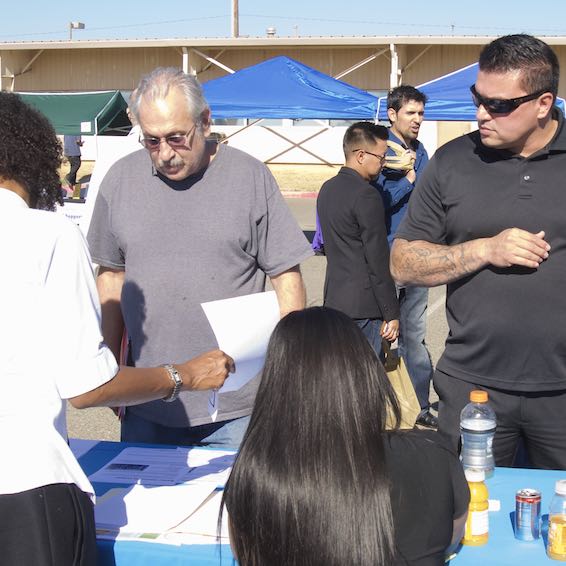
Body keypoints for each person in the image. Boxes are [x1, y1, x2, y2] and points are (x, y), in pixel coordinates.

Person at [0, 92, 233, 566]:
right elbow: (88, 388)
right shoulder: (47, 235)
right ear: (30, 153)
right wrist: (182, 375)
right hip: (25, 488)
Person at [87, 67, 313, 447]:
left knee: (238, 508)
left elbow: (286, 278)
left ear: (205, 122)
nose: (164, 154)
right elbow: (110, 278)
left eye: (176, 138)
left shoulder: (249, 177)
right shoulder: (120, 180)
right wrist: (111, 374)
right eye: (152, 141)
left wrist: (292, 373)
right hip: (147, 402)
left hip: (238, 409)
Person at [391, 34, 566, 469]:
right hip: (473, 390)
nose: (481, 114)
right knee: (468, 520)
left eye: (500, 105)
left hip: (562, 396)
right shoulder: (452, 162)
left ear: (544, 103)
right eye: (478, 98)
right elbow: (403, 262)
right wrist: (484, 249)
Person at [222, 307, 469, 566]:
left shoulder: (256, 476)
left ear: (275, 385)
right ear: (365, 374)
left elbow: (244, 552)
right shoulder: (432, 455)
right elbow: (452, 536)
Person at [376, 85, 437, 429]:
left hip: (418, 258)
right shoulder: (378, 148)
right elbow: (376, 201)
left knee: (415, 334)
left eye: (421, 113)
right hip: (385, 257)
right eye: (411, 113)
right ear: (392, 114)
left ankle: (420, 406)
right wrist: (407, 180)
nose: (417, 120)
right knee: (379, 334)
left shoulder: (422, 149)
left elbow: (429, 194)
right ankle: (372, 405)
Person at [316, 122, 399, 355]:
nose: (383, 164)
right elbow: (377, 260)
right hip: (364, 307)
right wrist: (391, 313)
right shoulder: (367, 195)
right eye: (381, 157)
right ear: (361, 155)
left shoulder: (327, 188)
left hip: (334, 301)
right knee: (365, 383)